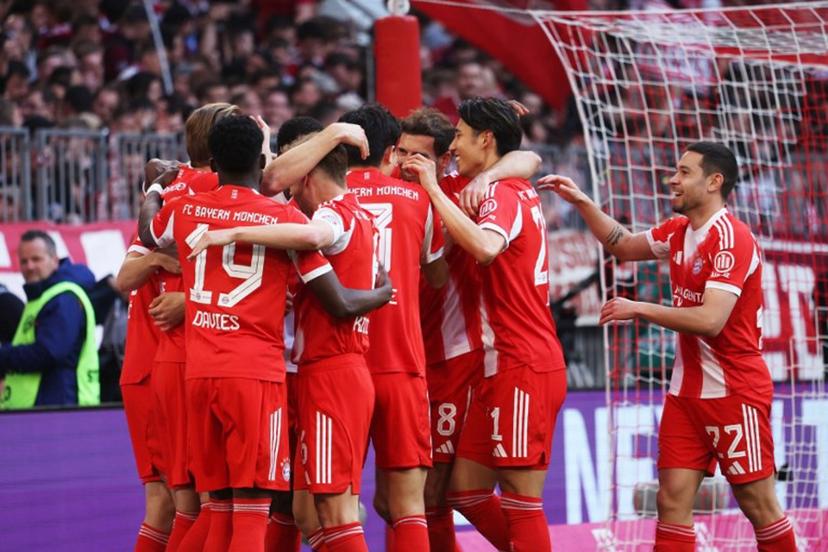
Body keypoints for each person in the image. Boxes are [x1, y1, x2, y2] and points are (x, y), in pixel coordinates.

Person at [138, 115, 389, 552]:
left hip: (198, 372)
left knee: (215, 510)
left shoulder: (186, 208)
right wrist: (382, 292)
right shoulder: (283, 218)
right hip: (255, 377)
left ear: (213, 161)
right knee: (255, 515)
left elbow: (149, 231)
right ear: (261, 159)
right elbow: (333, 293)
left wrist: (155, 190)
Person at [538, 142, 796, 552]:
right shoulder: (678, 232)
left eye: (683, 172)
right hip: (685, 395)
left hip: (735, 392)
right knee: (671, 500)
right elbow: (622, 244)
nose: (671, 179)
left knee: (758, 505)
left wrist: (639, 308)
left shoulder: (732, 238)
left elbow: (711, 321)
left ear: (714, 182)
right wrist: (583, 201)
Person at [414, 97, 567, 552]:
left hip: (524, 362)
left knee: (521, 501)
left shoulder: (501, 194)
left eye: (460, 135)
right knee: (466, 490)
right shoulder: (505, 183)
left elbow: (484, 247)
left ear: (486, 139)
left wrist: (435, 191)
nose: (454, 144)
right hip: (500, 364)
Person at [117, 102, 241, 552]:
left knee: (174, 505)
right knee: (197, 504)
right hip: (164, 363)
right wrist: (157, 259)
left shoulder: (169, 191)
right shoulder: (210, 187)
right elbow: (124, 278)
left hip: (165, 362)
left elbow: (128, 273)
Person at [0, 230, 99, 409]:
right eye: (24, 261)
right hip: (48, 406)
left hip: (58, 407)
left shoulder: (62, 297)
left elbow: (49, 352)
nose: (29, 266)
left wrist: (4, 355)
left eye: (36, 259)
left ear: (54, 260)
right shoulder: (44, 296)